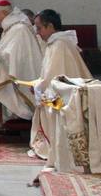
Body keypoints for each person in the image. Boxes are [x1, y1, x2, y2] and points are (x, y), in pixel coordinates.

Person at [28, 9, 93, 160]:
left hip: (66, 97)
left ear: (50, 26)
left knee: (48, 105)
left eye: (39, 28)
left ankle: (57, 148)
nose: (37, 33)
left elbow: (53, 76)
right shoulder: (58, 43)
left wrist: (38, 86)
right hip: (65, 92)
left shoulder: (59, 45)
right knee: (45, 102)